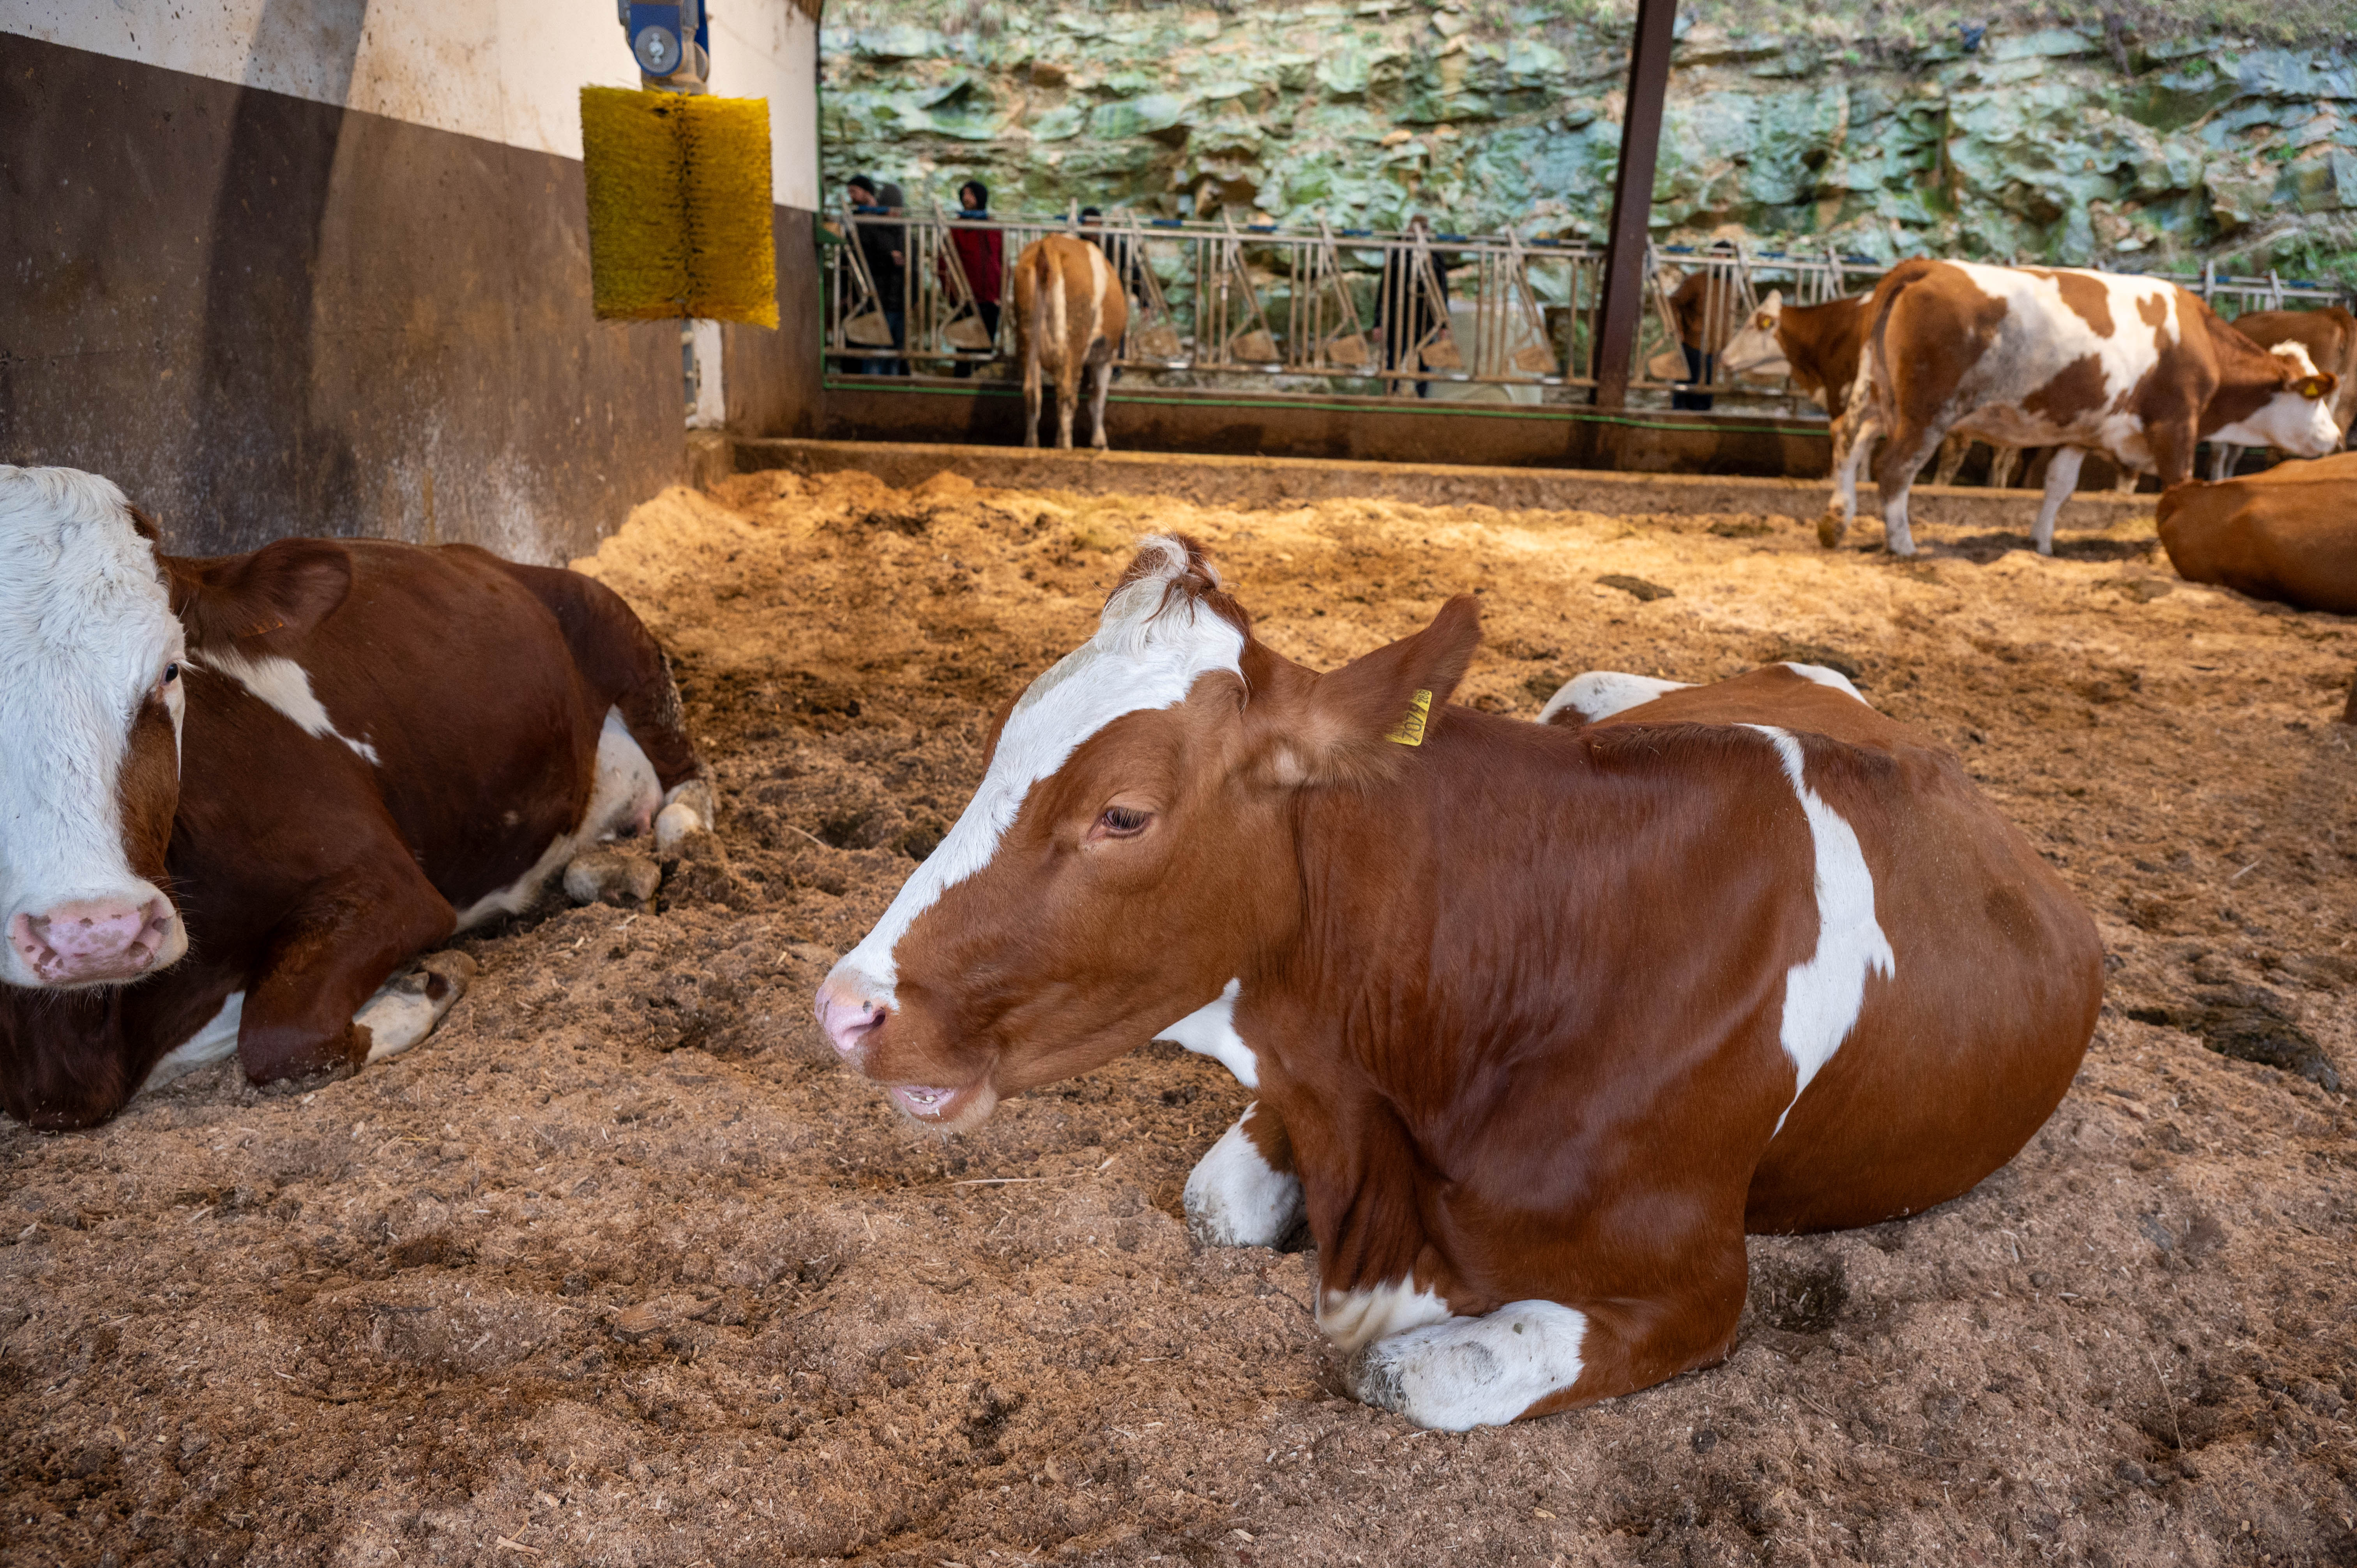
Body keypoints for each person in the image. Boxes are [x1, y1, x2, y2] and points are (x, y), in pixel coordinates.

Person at [1376, 215, 1452, 398]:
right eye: (1417, 227)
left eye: (1424, 227)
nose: (1420, 231)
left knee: (1424, 359)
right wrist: (1378, 321)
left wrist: (1444, 325)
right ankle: (1391, 393)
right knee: (1394, 357)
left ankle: (1421, 397)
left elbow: (1442, 290)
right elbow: (1385, 288)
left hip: (1425, 317)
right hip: (1399, 316)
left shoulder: (1434, 254)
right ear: (1409, 228)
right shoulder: (1398, 252)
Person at [1669, 240, 1741, 412]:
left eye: (1725, 256)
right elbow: (1673, 302)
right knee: (1687, 394)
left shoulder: (1733, 286)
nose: (1720, 259)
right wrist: (1677, 329)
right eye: (1716, 255)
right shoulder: (1696, 281)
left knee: (1705, 397)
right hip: (1694, 344)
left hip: (1716, 347)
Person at [845, 175, 905, 375]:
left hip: (888, 293)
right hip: (877, 292)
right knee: (876, 347)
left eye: (855, 191)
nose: (851, 196)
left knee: (887, 348)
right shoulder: (868, 222)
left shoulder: (878, 224)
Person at [946, 179, 1002, 376]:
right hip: (966, 299)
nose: (965, 198)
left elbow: (1002, 261)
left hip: (990, 299)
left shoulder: (994, 227)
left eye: (970, 194)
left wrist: (1001, 294)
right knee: (965, 348)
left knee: (986, 347)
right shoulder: (956, 228)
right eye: (964, 194)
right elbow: (945, 264)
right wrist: (955, 296)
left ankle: (982, 386)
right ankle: (960, 388)